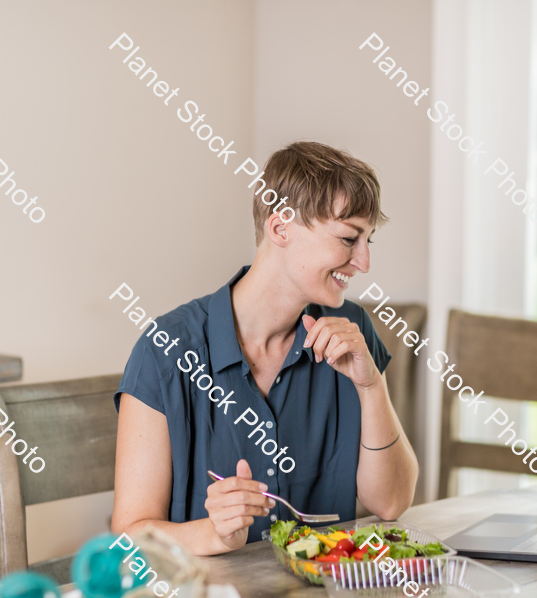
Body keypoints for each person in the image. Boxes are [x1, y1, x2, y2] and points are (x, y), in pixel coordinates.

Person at [112, 141, 418, 555]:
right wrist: (213, 533)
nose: (363, 262)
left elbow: (392, 502)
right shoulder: (165, 350)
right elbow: (128, 537)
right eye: (349, 238)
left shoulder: (350, 332)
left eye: (368, 241)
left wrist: (370, 387)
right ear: (280, 229)